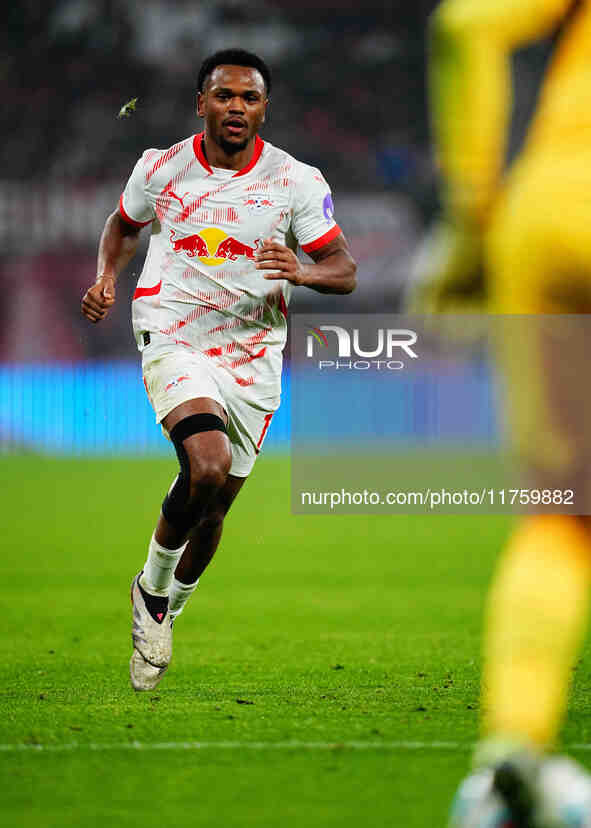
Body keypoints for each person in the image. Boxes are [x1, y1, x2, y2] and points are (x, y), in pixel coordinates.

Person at [81, 48, 357, 692]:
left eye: (250, 98)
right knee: (201, 465)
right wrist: (106, 278)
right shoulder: (161, 167)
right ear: (201, 102)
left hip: (253, 354)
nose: (237, 108)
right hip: (173, 331)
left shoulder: (295, 181)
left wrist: (303, 271)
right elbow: (123, 226)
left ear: (265, 107)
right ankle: (150, 592)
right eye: (225, 96)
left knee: (212, 509)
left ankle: (168, 604)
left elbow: (344, 269)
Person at [410, 1, 591, 824]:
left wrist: (470, 218)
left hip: (554, 202)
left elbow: (468, 23)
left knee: (560, 517)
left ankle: (510, 757)